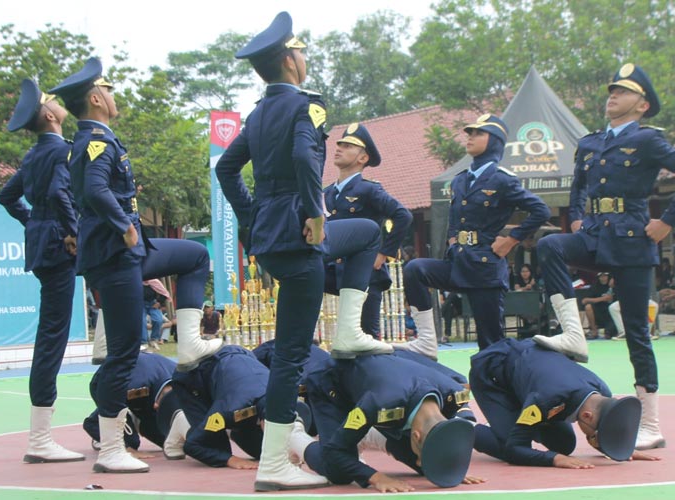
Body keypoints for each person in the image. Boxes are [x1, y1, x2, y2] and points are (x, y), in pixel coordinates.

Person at [214, 12, 391, 491]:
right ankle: (273, 466)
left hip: (272, 237)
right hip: (300, 235)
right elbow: (301, 158)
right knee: (291, 355)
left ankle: (351, 332)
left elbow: (227, 170)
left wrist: (252, 217)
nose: (305, 58)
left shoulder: (257, 113)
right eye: (303, 51)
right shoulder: (305, 106)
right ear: (291, 59)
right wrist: (315, 214)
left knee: (365, 233)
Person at [50, 57, 223, 473]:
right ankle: (111, 449)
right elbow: (93, 190)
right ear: (96, 97)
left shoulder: (94, 140)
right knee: (124, 353)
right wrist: (125, 226)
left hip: (126, 252)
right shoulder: (96, 140)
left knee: (195, 255)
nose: (113, 96)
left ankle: (189, 342)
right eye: (108, 90)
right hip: (117, 254)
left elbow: (83, 193)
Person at [532, 63, 675, 450]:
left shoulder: (647, 141)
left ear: (642, 105)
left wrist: (666, 223)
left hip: (632, 241)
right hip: (594, 235)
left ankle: (652, 423)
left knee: (636, 333)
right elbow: (577, 186)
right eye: (612, 90)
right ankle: (574, 334)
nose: (612, 95)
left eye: (622, 92)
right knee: (549, 245)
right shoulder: (590, 142)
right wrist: (576, 218)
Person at [398, 114, 551, 356]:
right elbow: (454, 215)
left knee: (490, 344)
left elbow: (541, 210)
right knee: (415, 269)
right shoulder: (460, 180)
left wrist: (511, 241)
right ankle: (427, 339)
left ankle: (501, 388)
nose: (470, 137)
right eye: (469, 133)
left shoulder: (502, 180)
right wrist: (451, 238)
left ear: (494, 141)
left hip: (485, 268)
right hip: (458, 262)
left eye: (478, 133)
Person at [0, 79, 85, 464]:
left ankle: (41, 436)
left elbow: (7, 196)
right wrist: (71, 233)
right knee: (52, 337)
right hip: (57, 248)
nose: (58, 104)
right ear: (51, 116)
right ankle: (40, 439)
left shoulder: (35, 155)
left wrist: (35, 223)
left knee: (50, 335)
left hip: (41, 245)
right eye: (52, 101)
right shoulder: (61, 152)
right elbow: (61, 195)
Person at [297, 354, 482, 492]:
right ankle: (295, 437)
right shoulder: (380, 404)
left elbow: (452, 432)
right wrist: (376, 478)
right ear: (416, 435)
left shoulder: (454, 393)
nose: (419, 461)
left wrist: (446, 462)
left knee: (423, 465)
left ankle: (368, 434)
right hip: (333, 386)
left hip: (380, 383)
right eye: (420, 455)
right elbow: (334, 450)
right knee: (339, 471)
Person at [469, 338, 660, 467]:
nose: (596, 440)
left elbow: (606, 425)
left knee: (564, 444)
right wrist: (553, 459)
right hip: (493, 375)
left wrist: (621, 447)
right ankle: (468, 429)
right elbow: (516, 449)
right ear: (587, 416)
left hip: (529, 374)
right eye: (596, 436)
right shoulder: (545, 400)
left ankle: (511, 421)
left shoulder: (603, 392)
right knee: (510, 447)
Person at [324, 123, 413, 340]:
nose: (339, 148)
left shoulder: (369, 189)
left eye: (348, 146)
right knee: (336, 337)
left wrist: (383, 253)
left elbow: (403, 216)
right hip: (332, 273)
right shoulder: (326, 193)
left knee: (366, 336)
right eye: (339, 144)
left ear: (363, 158)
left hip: (365, 274)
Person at [171, 345, 312, 469]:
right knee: (214, 445)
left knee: (264, 452)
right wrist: (230, 460)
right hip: (194, 373)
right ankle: (182, 422)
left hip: (240, 362)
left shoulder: (285, 396)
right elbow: (192, 446)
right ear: (264, 423)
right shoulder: (229, 409)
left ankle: (234, 430)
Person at [83, 352, 189, 460]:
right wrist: (126, 447)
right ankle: (102, 431)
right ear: (156, 405)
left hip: (148, 392)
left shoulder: (185, 379)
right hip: (106, 386)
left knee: (169, 439)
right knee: (130, 442)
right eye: (163, 408)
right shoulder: (135, 384)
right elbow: (109, 405)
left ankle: (137, 421)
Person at [581, 272, 615, 339]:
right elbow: (584, 300)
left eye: (605, 276)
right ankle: (594, 331)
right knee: (588, 307)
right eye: (601, 276)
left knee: (608, 334)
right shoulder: (595, 286)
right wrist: (602, 299)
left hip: (611, 312)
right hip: (599, 311)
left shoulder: (613, 286)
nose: (603, 278)